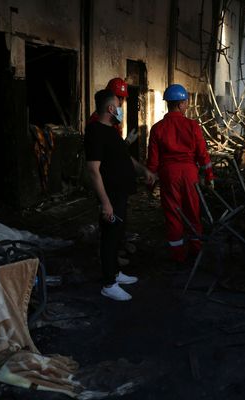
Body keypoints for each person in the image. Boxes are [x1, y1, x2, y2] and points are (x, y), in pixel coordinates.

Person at [84, 89, 156, 301]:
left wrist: (144, 170)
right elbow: (93, 170)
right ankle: (108, 284)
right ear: (110, 108)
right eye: (119, 106)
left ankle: (115, 272)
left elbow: (126, 159)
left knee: (118, 234)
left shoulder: (112, 131)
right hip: (111, 194)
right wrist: (105, 202)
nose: (121, 110)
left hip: (121, 193)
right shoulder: (95, 131)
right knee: (109, 237)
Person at [147, 84, 214, 266]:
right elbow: (203, 154)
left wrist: (150, 181)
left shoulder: (157, 128)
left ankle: (177, 256)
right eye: (186, 102)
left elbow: (152, 161)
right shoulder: (192, 126)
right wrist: (209, 176)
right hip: (190, 174)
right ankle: (196, 250)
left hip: (169, 175)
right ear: (182, 104)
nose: (187, 105)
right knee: (193, 211)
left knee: (173, 214)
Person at [87, 77, 138, 145]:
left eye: (122, 98)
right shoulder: (96, 120)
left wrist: (125, 143)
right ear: (108, 96)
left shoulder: (114, 118)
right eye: (118, 97)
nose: (120, 102)